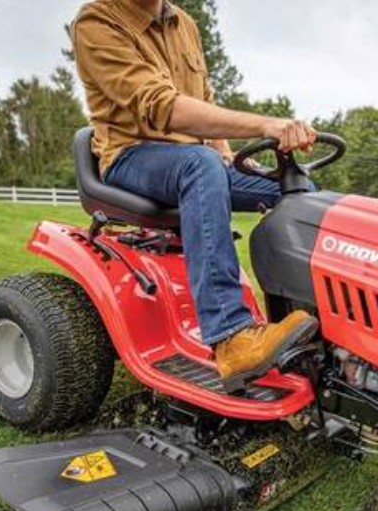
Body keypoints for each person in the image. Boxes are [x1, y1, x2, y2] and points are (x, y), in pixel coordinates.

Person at [71, 0, 319, 391]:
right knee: (199, 165)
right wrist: (264, 125)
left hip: (195, 159)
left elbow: (201, 97)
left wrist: (227, 155)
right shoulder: (97, 20)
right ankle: (231, 337)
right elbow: (163, 108)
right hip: (131, 158)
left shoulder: (183, 22)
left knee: (294, 186)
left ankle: (312, 326)